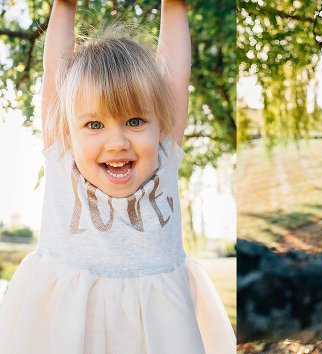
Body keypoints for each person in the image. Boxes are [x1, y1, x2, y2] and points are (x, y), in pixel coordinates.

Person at [0, 1, 235, 353]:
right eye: (95, 124)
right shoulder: (64, 159)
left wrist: (174, 6)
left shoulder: (164, 159)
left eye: (135, 121)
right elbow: (54, 72)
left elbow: (175, 75)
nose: (118, 142)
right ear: (68, 128)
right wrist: (64, 5)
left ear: (160, 124)